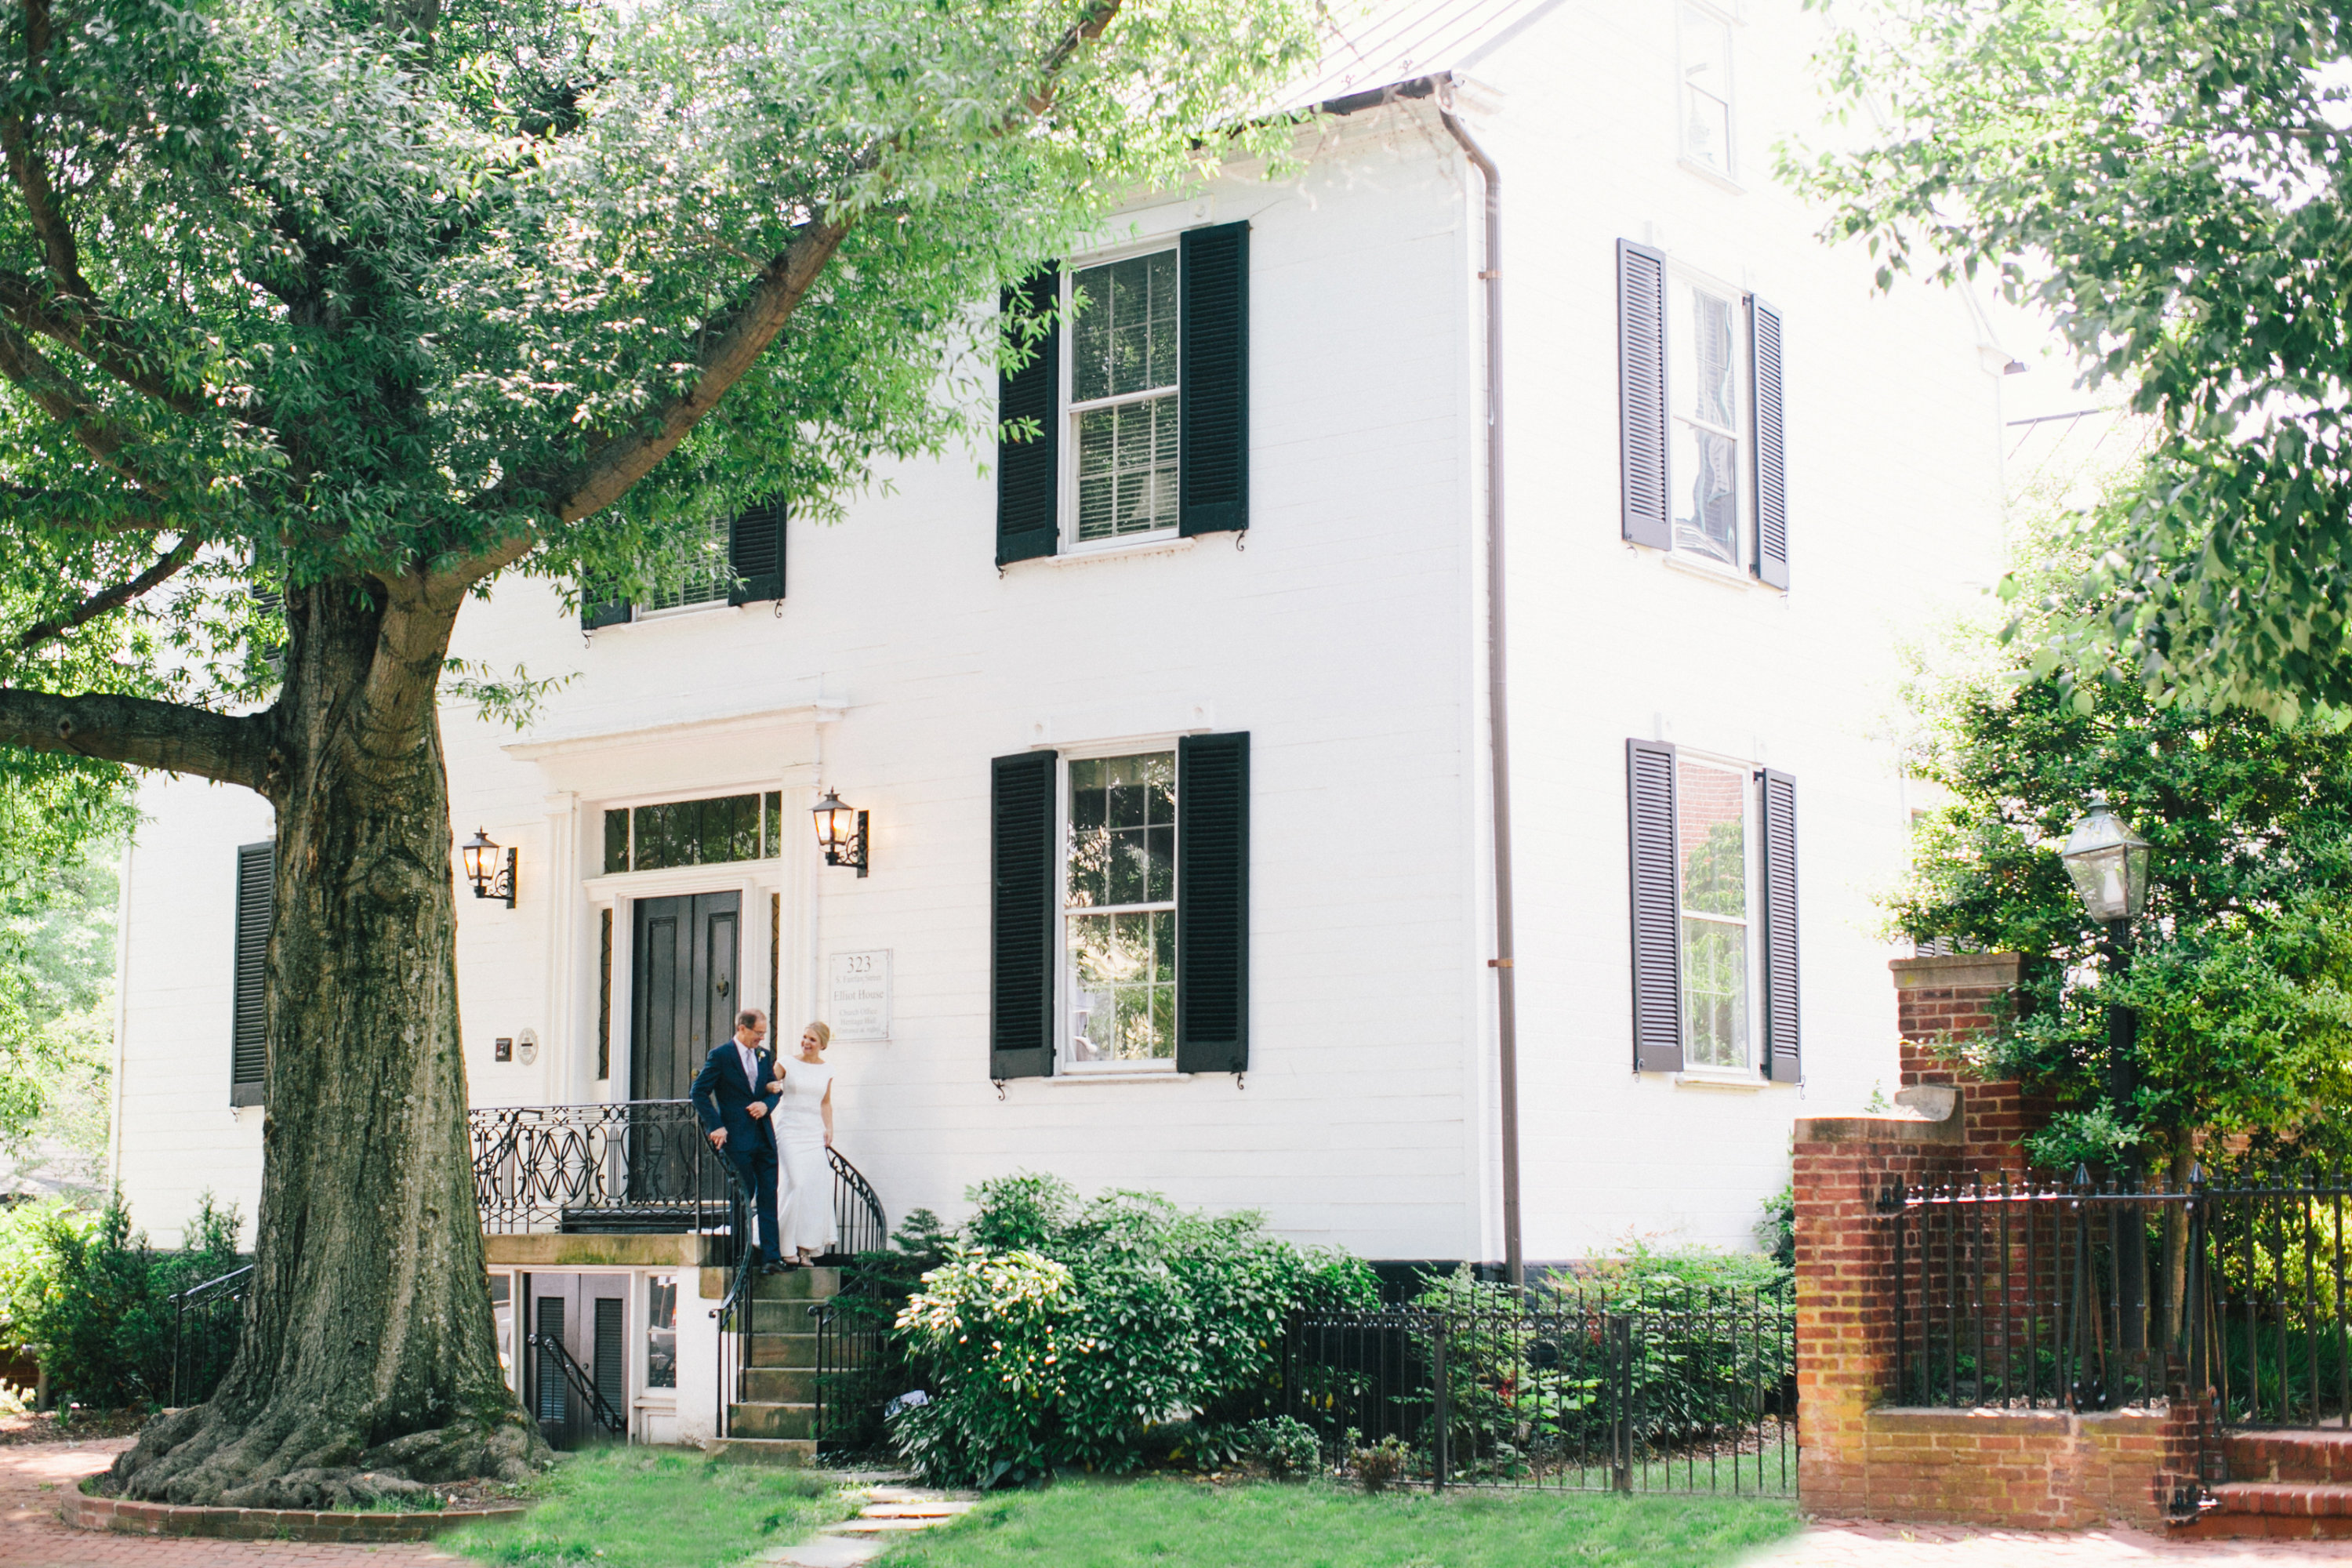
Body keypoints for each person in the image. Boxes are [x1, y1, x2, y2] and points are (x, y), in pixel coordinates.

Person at [690, 1008, 786, 1272]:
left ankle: (771, 1258)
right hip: (736, 1137)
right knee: (743, 1194)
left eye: (764, 1034)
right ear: (742, 1028)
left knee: (769, 1195)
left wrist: (767, 1105)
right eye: (758, 1033)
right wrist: (716, 1125)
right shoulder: (721, 1056)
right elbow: (698, 1092)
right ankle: (741, 1256)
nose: (761, 1039)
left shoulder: (764, 1056)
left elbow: (773, 1088)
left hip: (763, 1136)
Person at [764, 1022, 837, 1266]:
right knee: (796, 1183)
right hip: (789, 1130)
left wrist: (829, 1128)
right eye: (804, 1037)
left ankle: (805, 1247)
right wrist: (771, 1086)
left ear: (823, 1045)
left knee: (815, 1189)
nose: (806, 1042)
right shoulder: (787, 1062)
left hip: (813, 1132)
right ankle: (785, 1246)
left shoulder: (827, 1070)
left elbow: (825, 1102)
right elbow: (765, 1084)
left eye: (812, 1040)